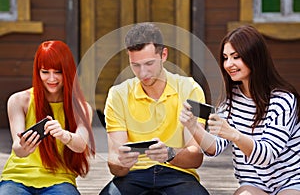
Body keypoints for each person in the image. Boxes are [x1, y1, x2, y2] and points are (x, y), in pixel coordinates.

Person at [180, 25, 300, 195]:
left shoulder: (282, 100)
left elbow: (267, 155)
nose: (229, 64)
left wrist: (233, 134)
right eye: (225, 57)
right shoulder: (230, 102)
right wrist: (193, 126)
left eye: (236, 57)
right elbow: (214, 148)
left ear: (254, 58)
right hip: (255, 185)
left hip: (291, 182)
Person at [99, 22, 209, 195]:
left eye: (149, 63)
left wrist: (170, 154)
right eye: (135, 65)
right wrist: (121, 163)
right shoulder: (118, 95)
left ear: (163, 54)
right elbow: (114, 163)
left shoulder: (191, 90)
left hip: (178, 174)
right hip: (133, 175)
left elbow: (196, 157)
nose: (143, 73)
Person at [0, 40, 95, 194]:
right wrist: (24, 146)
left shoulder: (82, 108)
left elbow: (81, 145)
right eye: (45, 72)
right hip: (17, 178)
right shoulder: (18, 100)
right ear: (37, 72)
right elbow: (18, 149)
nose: (51, 79)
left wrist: (64, 135)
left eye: (58, 72)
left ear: (68, 71)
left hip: (59, 180)